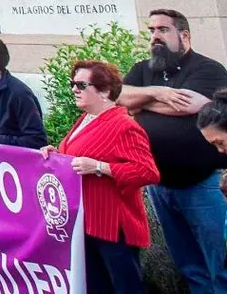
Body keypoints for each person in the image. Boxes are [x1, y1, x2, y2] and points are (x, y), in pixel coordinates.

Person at [121, 10, 227, 294]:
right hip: (161, 186)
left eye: (163, 30)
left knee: (221, 264)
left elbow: (187, 105)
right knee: (187, 265)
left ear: (184, 35)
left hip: (203, 184)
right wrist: (159, 94)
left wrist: (142, 102)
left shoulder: (207, 69)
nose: (155, 37)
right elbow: (119, 97)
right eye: (151, 30)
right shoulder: (144, 69)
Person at [48, 60, 160, 294]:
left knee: (125, 286)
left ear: (105, 91)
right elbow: (78, 156)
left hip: (113, 223)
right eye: (72, 84)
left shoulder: (123, 125)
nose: (74, 90)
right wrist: (55, 154)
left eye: (81, 84)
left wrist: (100, 167)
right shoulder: (87, 118)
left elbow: (147, 171)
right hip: (86, 221)